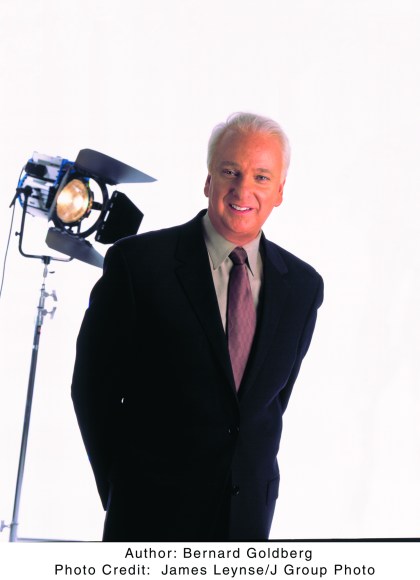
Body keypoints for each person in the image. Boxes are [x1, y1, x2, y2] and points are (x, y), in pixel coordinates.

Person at [71, 112, 323, 541]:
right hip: (148, 517)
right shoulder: (139, 265)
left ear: (280, 191)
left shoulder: (302, 287)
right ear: (209, 180)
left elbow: (269, 406)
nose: (243, 189)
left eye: (261, 177)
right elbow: (92, 390)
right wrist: (123, 489)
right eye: (230, 171)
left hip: (247, 521)